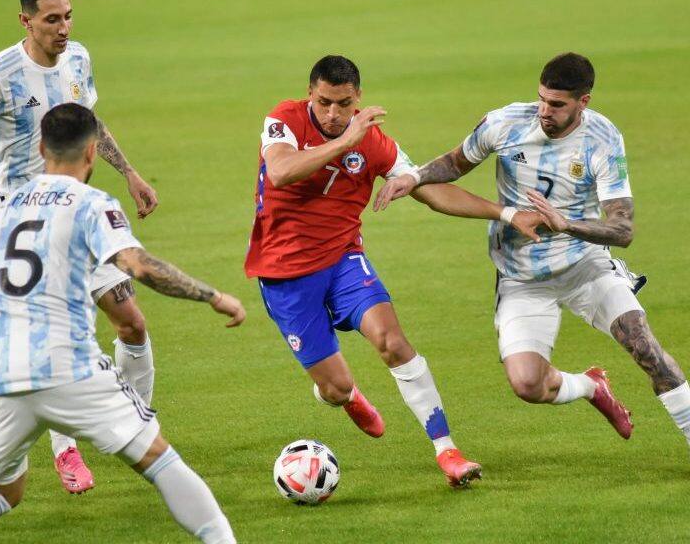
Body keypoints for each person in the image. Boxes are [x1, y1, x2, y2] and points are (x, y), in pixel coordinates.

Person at [0, 104, 245, 544]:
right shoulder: (91, 203)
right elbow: (136, 264)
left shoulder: (4, 208)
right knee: (160, 459)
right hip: (67, 368)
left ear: (40, 148)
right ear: (92, 153)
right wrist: (213, 296)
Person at [244, 55, 542, 487]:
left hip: (343, 260)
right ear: (310, 93)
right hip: (285, 274)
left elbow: (431, 190)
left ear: (358, 98)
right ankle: (343, 395)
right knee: (335, 387)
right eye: (324, 102)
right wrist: (347, 140)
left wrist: (509, 214)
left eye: (344, 104)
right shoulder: (284, 120)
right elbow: (282, 171)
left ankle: (448, 451)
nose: (333, 114)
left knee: (393, 342)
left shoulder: (375, 142)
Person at [375, 52, 690, 450]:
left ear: (583, 102)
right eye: (542, 98)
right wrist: (414, 176)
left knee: (646, 348)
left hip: (585, 266)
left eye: (557, 104)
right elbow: (456, 163)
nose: (545, 110)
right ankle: (591, 387)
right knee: (527, 383)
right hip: (521, 276)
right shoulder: (505, 123)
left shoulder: (603, 138)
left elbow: (622, 229)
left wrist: (567, 224)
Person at [0, 0, 159, 493]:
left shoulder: (77, 59)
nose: (64, 28)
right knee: (58, 339)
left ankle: (138, 420)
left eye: (69, 15)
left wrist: (131, 173)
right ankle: (66, 449)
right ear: (25, 21)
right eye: (52, 19)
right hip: (22, 226)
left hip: (75, 213)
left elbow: (88, 122)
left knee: (132, 323)